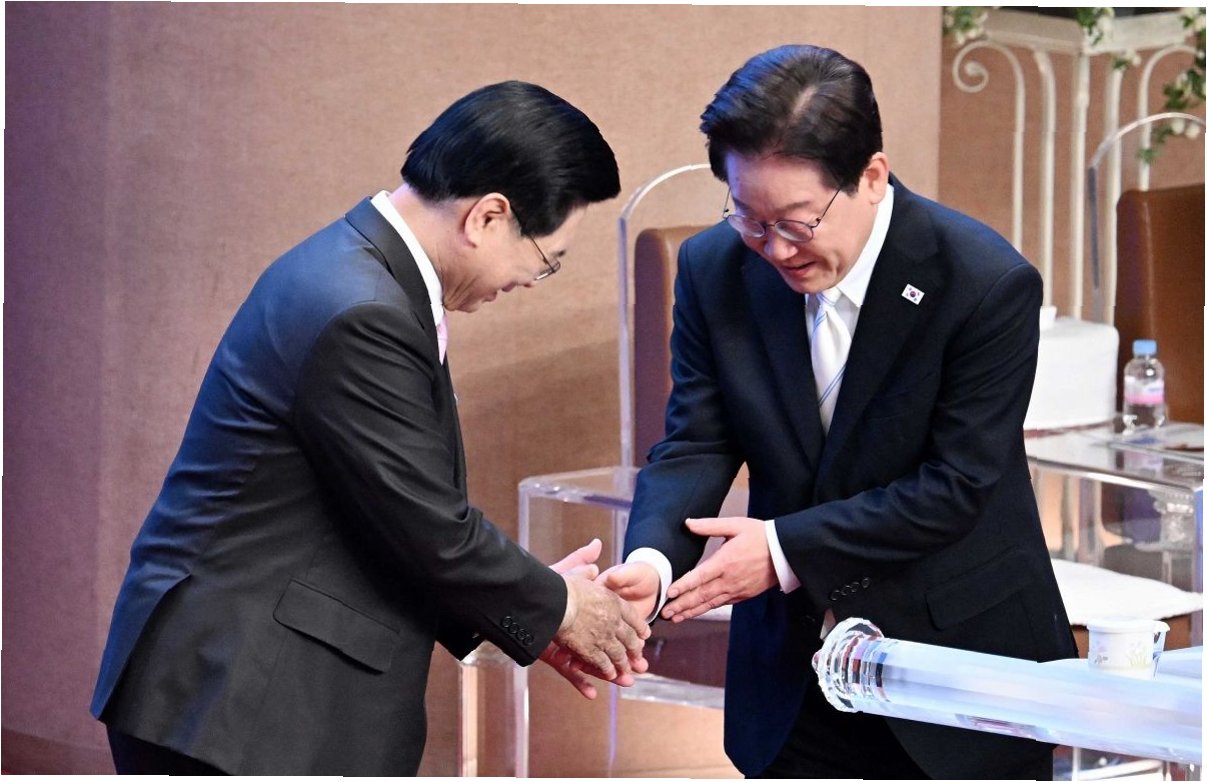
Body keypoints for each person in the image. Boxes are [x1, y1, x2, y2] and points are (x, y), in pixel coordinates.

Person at [91, 80, 648, 776]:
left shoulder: (362, 273)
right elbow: (430, 527)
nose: (528, 281)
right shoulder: (363, 309)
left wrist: (525, 607)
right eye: (544, 261)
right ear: (488, 216)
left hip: (246, 693)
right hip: (235, 700)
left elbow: (383, 520)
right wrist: (558, 606)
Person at [601, 45, 1077, 779]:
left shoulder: (982, 283)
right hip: (792, 675)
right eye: (748, 216)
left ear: (872, 177)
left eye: (797, 222)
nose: (773, 248)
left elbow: (956, 485)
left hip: (955, 664)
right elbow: (696, 441)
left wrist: (782, 550)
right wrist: (652, 560)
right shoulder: (714, 268)